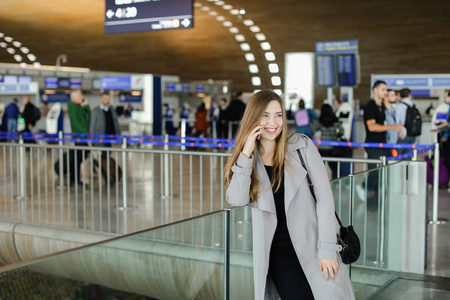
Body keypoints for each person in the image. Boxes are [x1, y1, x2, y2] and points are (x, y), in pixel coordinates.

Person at [225, 90, 355, 300]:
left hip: (315, 245)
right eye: (265, 115)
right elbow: (237, 199)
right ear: (254, 117)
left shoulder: (301, 146)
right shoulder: (249, 160)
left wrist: (328, 249)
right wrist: (247, 152)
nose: (273, 122)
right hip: (279, 255)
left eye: (278, 115)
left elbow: (325, 198)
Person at [361, 81, 403, 203]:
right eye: (383, 90)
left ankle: (379, 200)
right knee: (374, 174)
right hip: (374, 146)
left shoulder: (382, 107)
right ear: (375, 90)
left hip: (384, 145)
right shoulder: (370, 106)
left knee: (383, 175)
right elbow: (372, 127)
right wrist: (392, 127)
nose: (385, 92)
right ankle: (368, 197)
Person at [67, 90, 91, 185]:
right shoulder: (72, 106)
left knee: (80, 156)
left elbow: (89, 114)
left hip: (84, 135)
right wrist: (85, 133)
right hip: (79, 136)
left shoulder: (80, 106)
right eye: (80, 95)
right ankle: (75, 179)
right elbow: (75, 122)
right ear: (74, 97)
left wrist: (86, 105)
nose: (82, 97)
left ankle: (74, 178)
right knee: (78, 157)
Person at [318, 104, 344, 179]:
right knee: (334, 168)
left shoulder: (320, 121)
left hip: (322, 148)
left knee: (319, 169)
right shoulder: (335, 121)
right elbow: (342, 131)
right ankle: (336, 183)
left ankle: (319, 183)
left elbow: (313, 129)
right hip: (333, 148)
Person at [394, 88, 419, 154]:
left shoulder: (399, 106)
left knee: (397, 155)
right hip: (413, 134)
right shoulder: (414, 105)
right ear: (409, 95)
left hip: (402, 134)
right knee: (407, 156)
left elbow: (397, 120)